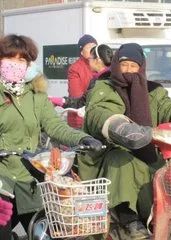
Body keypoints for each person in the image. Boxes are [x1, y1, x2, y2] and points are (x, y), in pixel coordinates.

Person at [78, 43, 171, 239]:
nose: (128, 70)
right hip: (107, 154)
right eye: (124, 64)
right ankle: (127, 217)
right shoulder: (104, 87)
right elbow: (98, 111)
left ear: (141, 68)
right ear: (117, 65)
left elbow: (170, 108)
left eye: (133, 66)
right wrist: (119, 126)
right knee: (122, 161)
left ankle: (165, 216)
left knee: (169, 169)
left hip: (146, 150)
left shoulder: (152, 91)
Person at [0, 34, 102, 239]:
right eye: (10, 58)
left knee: (48, 232)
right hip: (2, 180)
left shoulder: (36, 94)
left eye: (22, 60)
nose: (16, 64)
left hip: (30, 176)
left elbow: (54, 125)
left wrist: (82, 138)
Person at [49, 44, 113, 109]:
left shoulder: (109, 80)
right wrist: (62, 101)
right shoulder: (95, 80)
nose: (89, 61)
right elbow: (82, 102)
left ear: (97, 60)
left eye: (90, 58)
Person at [67, 34, 97, 128]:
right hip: (80, 118)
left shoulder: (101, 66)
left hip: (97, 119)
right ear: (81, 52)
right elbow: (76, 96)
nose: (92, 49)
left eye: (94, 46)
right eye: (88, 47)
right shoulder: (75, 69)